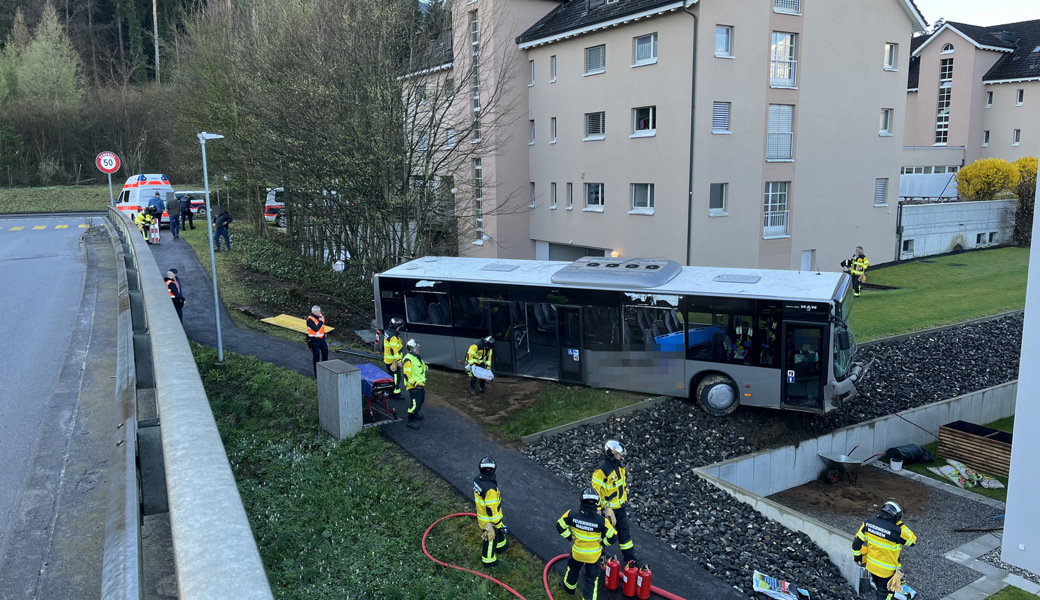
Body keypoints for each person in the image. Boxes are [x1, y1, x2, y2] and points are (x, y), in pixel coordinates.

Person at [556, 487, 618, 600]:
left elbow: (559, 526)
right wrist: (603, 542)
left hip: (577, 553)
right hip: (593, 557)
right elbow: (613, 537)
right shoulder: (602, 521)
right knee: (591, 579)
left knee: (573, 570)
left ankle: (568, 588)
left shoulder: (572, 514)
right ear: (596, 503)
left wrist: (570, 537)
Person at [852, 501, 917, 600]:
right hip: (887, 572)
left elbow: (856, 543)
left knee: (879, 589)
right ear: (896, 516)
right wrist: (900, 524)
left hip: (872, 567)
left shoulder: (868, 523)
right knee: (885, 595)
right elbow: (912, 541)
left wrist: (857, 558)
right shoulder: (897, 531)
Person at [592, 439, 639, 564]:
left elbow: (621, 482)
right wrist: (597, 509)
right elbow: (595, 490)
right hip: (607, 509)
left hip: (620, 507)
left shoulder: (619, 465)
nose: (621, 455)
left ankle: (630, 558)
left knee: (624, 533)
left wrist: (626, 490)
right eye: (619, 453)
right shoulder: (602, 469)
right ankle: (599, 557)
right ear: (611, 453)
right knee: (603, 534)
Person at [474, 456, 510, 567]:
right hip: (489, 520)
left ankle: (501, 546)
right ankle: (488, 560)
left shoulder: (477, 480)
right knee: (490, 539)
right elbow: (492, 510)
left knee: (498, 534)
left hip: (482, 516)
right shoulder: (490, 490)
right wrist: (499, 524)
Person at [402, 339, 427, 429]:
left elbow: (420, 365)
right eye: (415, 347)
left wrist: (425, 367)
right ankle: (410, 421)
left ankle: (415, 415)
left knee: (421, 400)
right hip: (414, 386)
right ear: (411, 349)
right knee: (415, 404)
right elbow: (407, 374)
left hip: (420, 385)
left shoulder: (416, 357)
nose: (417, 348)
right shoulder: (408, 359)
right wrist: (415, 383)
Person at [382, 318, 405, 397]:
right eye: (399, 327)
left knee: (391, 376)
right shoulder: (393, 336)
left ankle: (391, 391)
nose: (399, 328)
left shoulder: (388, 332)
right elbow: (394, 350)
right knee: (396, 377)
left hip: (388, 359)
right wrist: (398, 361)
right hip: (393, 361)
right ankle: (394, 393)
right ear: (396, 327)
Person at [305, 305, 329, 377]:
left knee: (325, 353)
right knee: (316, 357)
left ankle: (325, 371)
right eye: (319, 311)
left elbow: (321, 327)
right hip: (314, 341)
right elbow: (316, 329)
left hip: (322, 339)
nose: (320, 312)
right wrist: (321, 322)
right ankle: (317, 375)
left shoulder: (320, 316)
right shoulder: (309, 320)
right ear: (314, 312)